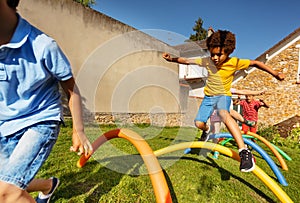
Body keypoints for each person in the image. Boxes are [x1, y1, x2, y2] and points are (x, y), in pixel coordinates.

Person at [0, 1, 93, 202]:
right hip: (5, 124)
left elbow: (71, 88)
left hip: (39, 119)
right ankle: (48, 185)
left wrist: (79, 130)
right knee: (6, 182)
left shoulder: (42, 45)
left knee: (6, 192)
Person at [163, 29, 284, 172]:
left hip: (223, 96)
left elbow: (256, 63)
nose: (215, 58)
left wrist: (274, 73)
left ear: (228, 52)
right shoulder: (206, 61)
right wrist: (172, 59)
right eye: (212, 54)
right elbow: (187, 61)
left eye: (219, 55)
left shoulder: (235, 62)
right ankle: (207, 131)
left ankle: (244, 151)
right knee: (198, 123)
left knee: (224, 115)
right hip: (208, 97)